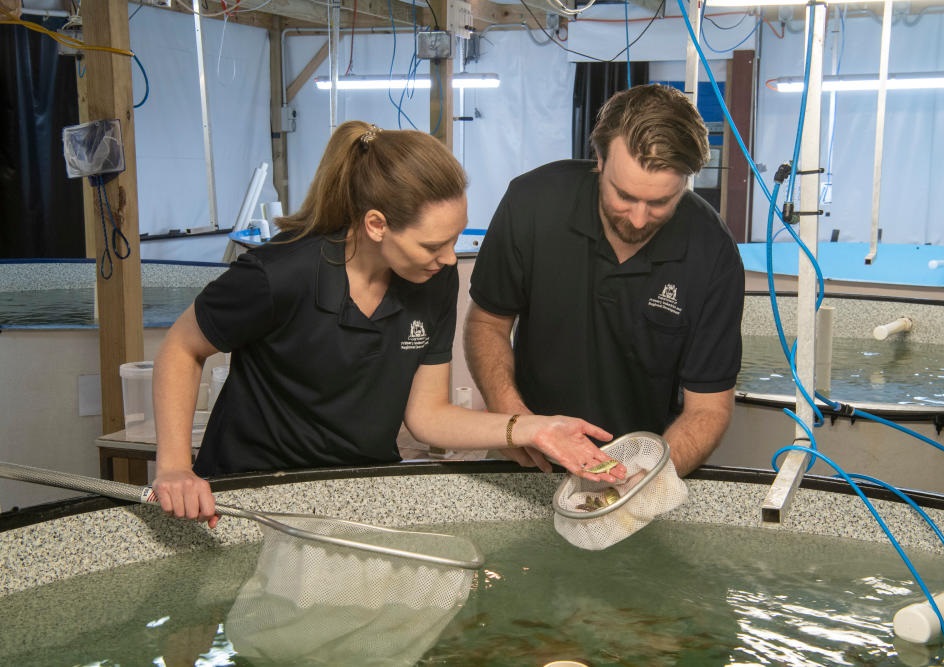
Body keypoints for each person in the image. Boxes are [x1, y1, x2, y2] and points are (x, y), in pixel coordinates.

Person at [152, 121, 624, 527]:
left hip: (356, 493)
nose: (447, 259)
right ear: (377, 224)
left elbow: (427, 417)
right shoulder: (279, 275)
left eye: (456, 240)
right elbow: (181, 348)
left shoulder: (432, 283)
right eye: (432, 245)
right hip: (252, 490)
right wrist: (174, 465)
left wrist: (532, 427)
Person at [464, 84, 744, 477]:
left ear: (686, 181)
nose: (639, 218)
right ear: (598, 158)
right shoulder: (532, 204)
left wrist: (646, 479)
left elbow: (709, 408)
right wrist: (516, 423)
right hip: (529, 457)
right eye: (624, 196)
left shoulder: (712, 252)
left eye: (661, 202)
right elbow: (486, 324)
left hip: (644, 468)